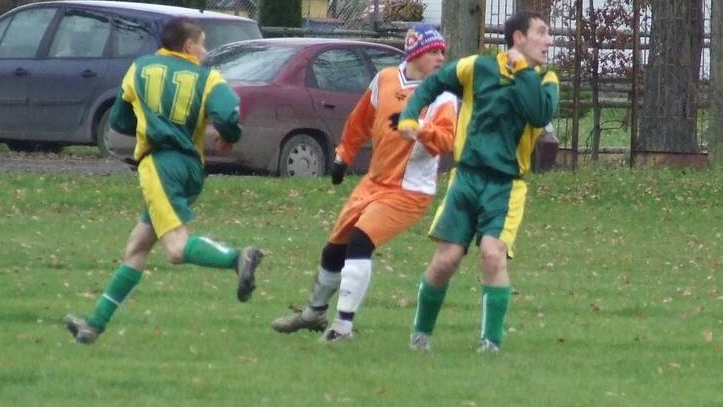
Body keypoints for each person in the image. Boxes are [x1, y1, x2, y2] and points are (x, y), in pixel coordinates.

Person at [64, 18, 262, 344]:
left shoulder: (139, 69)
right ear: (188, 46)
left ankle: (237, 258)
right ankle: (93, 326)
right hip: (191, 169)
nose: (205, 51)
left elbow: (119, 120)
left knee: (175, 249)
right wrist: (229, 136)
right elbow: (229, 115)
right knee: (137, 247)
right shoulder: (208, 78)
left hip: (160, 166)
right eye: (203, 44)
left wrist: (151, 123)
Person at [271, 24, 457, 342]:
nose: (441, 57)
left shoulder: (443, 96)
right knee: (334, 249)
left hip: (409, 191)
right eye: (434, 51)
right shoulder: (385, 79)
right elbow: (360, 120)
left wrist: (418, 128)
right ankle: (314, 314)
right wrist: (344, 155)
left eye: (443, 52)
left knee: (360, 243)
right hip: (373, 182)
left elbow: (446, 140)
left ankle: (342, 327)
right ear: (415, 53)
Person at [396, 10, 558, 352]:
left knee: (492, 254)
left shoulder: (546, 80)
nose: (549, 40)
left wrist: (522, 71)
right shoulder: (478, 67)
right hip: (466, 179)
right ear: (518, 38)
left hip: (506, 185)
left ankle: (490, 344)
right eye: (542, 32)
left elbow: (539, 114)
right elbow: (434, 83)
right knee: (446, 260)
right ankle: (420, 337)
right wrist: (410, 116)